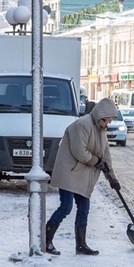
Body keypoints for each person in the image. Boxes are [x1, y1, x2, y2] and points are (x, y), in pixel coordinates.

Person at [45, 98, 120, 256]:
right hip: (69, 171)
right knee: (66, 207)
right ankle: (47, 240)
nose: (108, 124)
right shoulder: (83, 125)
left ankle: (81, 245)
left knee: (84, 208)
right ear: (102, 116)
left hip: (82, 175)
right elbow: (80, 152)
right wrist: (96, 161)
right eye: (108, 120)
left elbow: (106, 158)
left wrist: (112, 179)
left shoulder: (101, 132)